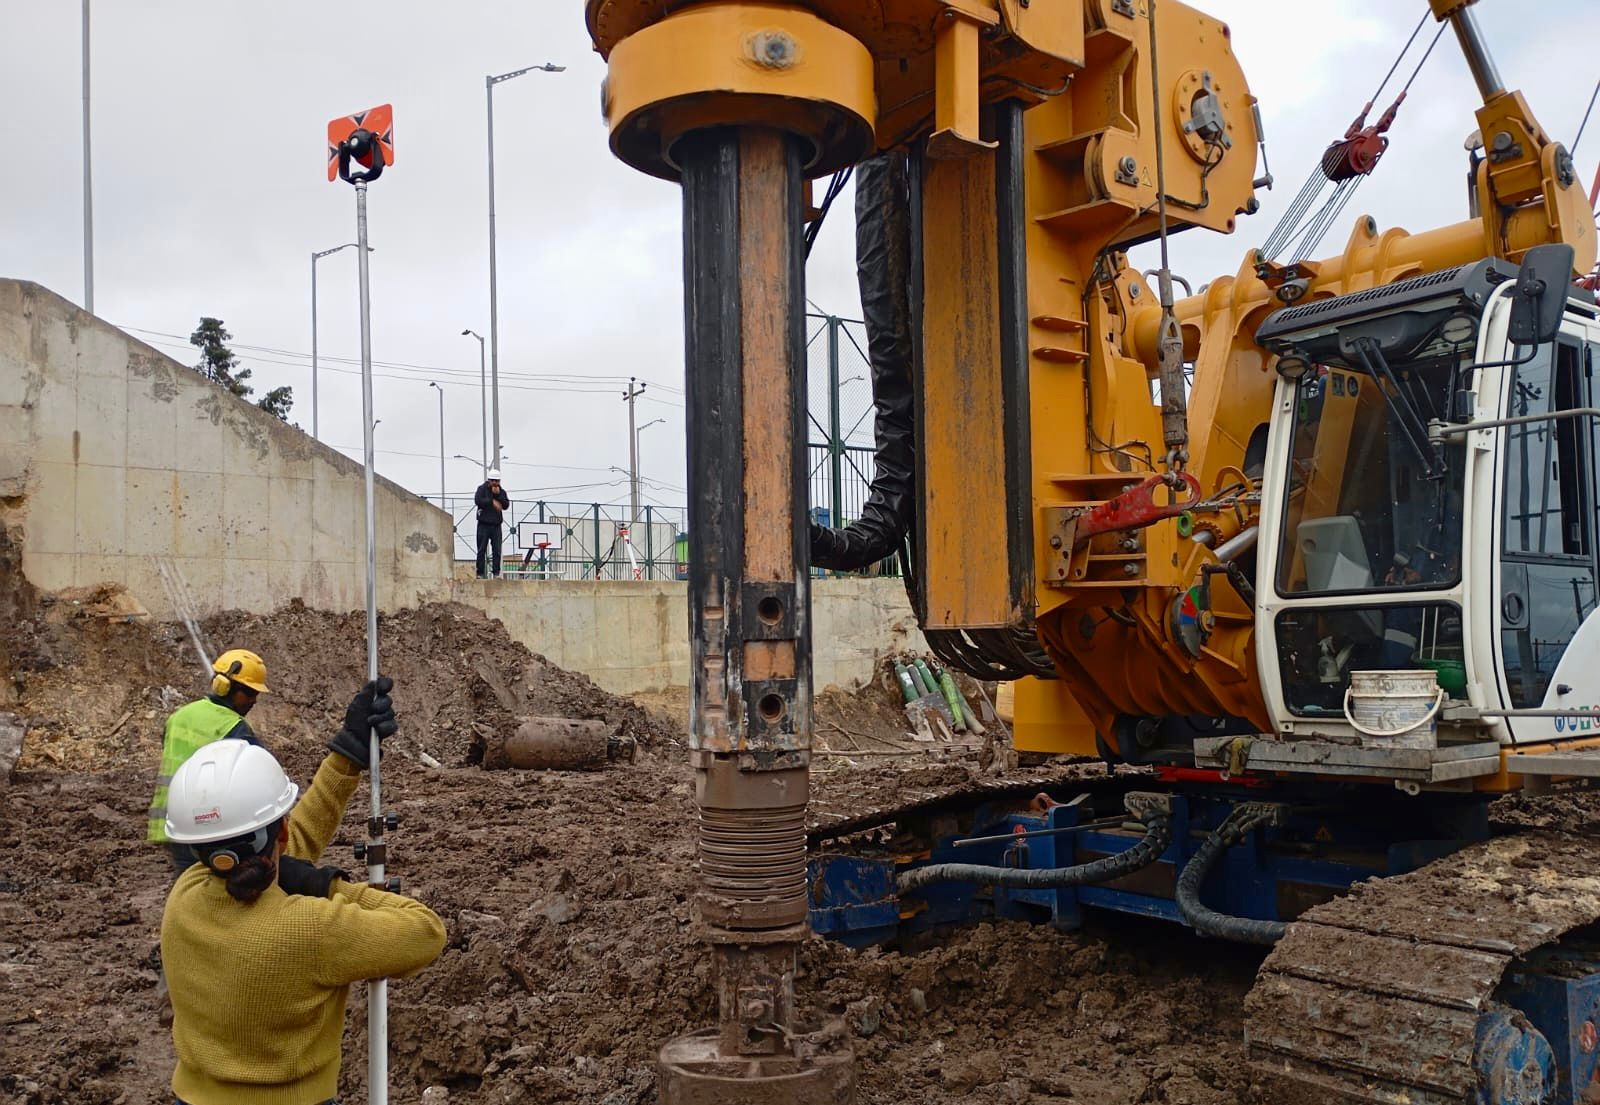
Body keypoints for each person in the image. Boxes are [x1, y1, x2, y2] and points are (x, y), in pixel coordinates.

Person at [160, 676, 445, 1105]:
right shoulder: (311, 929)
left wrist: (347, 755)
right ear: (282, 830)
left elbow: (277, 848)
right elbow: (424, 931)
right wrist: (329, 887)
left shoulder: (184, 897)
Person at [148, 649, 271, 875]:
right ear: (225, 686)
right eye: (249, 692)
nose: (254, 700)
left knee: (188, 886)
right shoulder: (233, 727)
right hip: (206, 823)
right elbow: (260, 775)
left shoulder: (178, 716)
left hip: (171, 819)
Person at [474, 468, 511, 579]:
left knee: (497, 550)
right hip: (483, 524)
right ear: (489, 480)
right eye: (493, 480)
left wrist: (498, 496)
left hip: (496, 525)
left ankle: (496, 573)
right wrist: (492, 501)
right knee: (481, 549)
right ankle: (480, 573)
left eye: (497, 481)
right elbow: (478, 501)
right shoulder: (482, 489)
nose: (495, 483)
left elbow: (506, 505)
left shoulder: (501, 492)